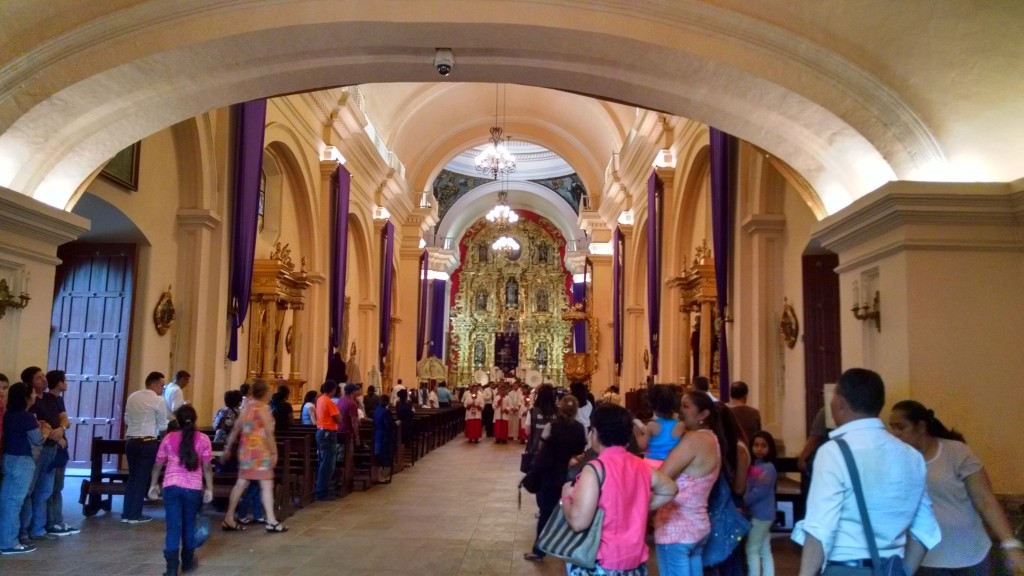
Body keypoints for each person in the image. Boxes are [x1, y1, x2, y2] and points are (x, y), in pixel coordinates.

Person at [793, 368, 941, 576]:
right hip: (891, 567)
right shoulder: (912, 456)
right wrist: (903, 571)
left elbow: (819, 529)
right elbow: (925, 529)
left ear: (840, 403)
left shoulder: (834, 452)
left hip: (845, 568)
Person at [890, 400, 1024, 575]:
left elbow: (986, 501)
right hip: (928, 560)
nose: (895, 434)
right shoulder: (897, 460)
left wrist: (1010, 544)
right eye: (892, 428)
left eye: (901, 427)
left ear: (921, 427)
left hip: (971, 556)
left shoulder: (956, 452)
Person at [559, 403, 678, 575]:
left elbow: (579, 522)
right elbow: (670, 489)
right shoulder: (640, 465)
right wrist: (638, 505)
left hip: (601, 560)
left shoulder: (595, 469)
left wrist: (565, 498)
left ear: (596, 434)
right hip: (634, 560)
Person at [654, 390, 724, 575]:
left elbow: (661, 476)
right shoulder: (712, 439)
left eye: (686, 406)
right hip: (697, 525)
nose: (680, 410)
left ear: (703, 414)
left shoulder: (694, 439)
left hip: (676, 528)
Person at [148, 404, 214, 575]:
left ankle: (171, 569)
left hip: (171, 486)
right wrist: (209, 489)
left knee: (173, 526)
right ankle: (187, 561)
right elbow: (207, 467)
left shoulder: (169, 438)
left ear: (177, 420)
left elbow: (158, 464)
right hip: (193, 488)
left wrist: (153, 484)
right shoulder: (203, 439)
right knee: (189, 523)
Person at [523, 395, 587, 562]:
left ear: (560, 408)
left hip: (551, 473)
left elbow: (541, 447)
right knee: (573, 511)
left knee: (546, 511)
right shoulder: (581, 428)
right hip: (572, 475)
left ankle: (539, 551)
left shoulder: (552, 426)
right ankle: (569, 549)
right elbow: (582, 451)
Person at [222, 379, 288, 532]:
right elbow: (268, 433)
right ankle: (271, 520)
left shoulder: (247, 407)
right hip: (259, 452)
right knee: (266, 485)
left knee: (241, 484)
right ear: (265, 393)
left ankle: (229, 517)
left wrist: (228, 447)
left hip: (246, 451)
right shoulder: (263, 408)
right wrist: (274, 451)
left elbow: (236, 428)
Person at [1, 382, 48, 554]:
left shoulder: (8, 415)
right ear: (26, 397)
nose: (35, 396)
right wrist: (46, 432)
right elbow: (37, 440)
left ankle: (6, 539)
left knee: (7, 501)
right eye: (33, 393)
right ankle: (9, 543)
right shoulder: (27, 417)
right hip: (23, 460)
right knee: (15, 503)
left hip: (8, 458)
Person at [122, 371, 169, 524]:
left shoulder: (132, 397)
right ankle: (135, 515)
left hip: (131, 441)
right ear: (153, 384)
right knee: (142, 478)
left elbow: (127, 419)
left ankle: (127, 513)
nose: (163, 388)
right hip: (147, 442)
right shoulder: (158, 400)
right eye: (162, 385)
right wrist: (166, 441)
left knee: (133, 477)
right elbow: (162, 425)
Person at [41, 369, 79, 536]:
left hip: (60, 444)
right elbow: (49, 424)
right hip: (51, 445)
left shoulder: (59, 400)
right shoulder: (47, 400)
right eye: (64, 380)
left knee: (58, 485)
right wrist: (58, 435)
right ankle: (52, 522)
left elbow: (64, 419)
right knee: (52, 486)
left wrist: (62, 428)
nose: (66, 383)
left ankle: (57, 520)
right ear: (59, 383)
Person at [745, 431, 778, 576]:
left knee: (752, 550)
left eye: (763, 446)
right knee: (764, 549)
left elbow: (758, 493)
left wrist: (743, 501)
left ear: (770, 448)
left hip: (760, 515)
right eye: (756, 445)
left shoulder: (768, 468)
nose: (759, 449)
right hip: (764, 514)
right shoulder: (757, 466)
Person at [634, 384, 684, 465]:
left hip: (652, 463)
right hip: (671, 463)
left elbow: (642, 446)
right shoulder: (680, 424)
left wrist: (636, 431)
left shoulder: (652, 425)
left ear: (652, 406)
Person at [314, 380, 342, 501]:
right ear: (333, 389)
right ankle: (322, 492)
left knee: (323, 461)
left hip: (321, 431)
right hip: (327, 432)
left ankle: (321, 489)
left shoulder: (320, 399)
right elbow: (339, 419)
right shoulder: (328, 402)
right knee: (328, 463)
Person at [527, 384, 558, 454]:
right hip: (553, 449)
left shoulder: (532, 411)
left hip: (536, 447)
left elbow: (527, 431)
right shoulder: (558, 412)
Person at [728, 381, 761, 445]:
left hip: (731, 450)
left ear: (731, 395)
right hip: (749, 450)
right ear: (745, 395)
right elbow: (758, 434)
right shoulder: (754, 413)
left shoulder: (725, 412)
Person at [372, 394, 395, 481]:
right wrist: (395, 424)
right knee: (385, 454)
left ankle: (378, 474)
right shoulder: (386, 412)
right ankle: (383, 475)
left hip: (377, 433)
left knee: (378, 453)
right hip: (385, 435)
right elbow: (388, 425)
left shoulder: (376, 410)